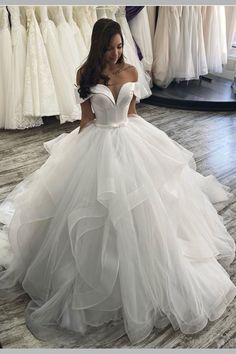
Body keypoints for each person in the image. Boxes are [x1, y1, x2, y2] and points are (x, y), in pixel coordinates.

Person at [0, 18, 235, 345]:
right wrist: (72, 161)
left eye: (120, 46)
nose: (116, 52)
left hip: (130, 140)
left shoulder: (131, 72)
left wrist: (152, 144)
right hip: (97, 143)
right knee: (93, 214)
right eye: (110, 47)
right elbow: (86, 121)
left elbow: (133, 113)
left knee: (148, 212)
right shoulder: (85, 75)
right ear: (99, 46)